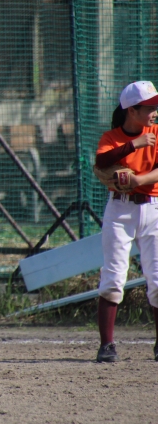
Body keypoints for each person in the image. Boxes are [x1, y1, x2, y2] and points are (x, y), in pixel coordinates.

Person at [94, 80, 158, 363]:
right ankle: (106, 345)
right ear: (132, 110)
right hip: (120, 211)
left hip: (153, 209)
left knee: (157, 279)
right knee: (113, 278)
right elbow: (102, 162)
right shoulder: (112, 137)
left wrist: (137, 180)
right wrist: (133, 145)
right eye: (150, 107)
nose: (155, 112)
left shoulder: (156, 133)